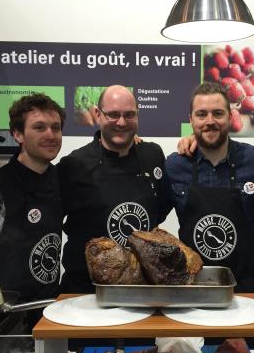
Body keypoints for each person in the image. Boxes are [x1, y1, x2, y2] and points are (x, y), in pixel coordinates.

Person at [57, 85, 171, 293]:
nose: (121, 122)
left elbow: (160, 209)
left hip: (143, 290)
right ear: (98, 115)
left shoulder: (152, 155)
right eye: (113, 115)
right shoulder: (74, 165)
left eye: (129, 115)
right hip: (86, 292)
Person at [165, 83, 254, 292]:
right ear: (191, 119)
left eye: (218, 113)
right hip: (192, 288)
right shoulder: (174, 166)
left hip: (248, 289)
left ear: (230, 116)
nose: (210, 121)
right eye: (201, 114)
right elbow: (152, 218)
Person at [0, 92, 64, 301]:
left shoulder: (61, 179)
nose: (50, 135)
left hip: (48, 307)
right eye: (39, 127)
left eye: (56, 128)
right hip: (5, 311)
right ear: (18, 134)